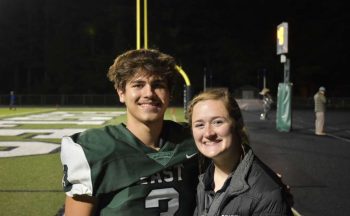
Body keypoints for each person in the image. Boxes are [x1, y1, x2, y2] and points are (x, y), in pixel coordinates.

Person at [60, 49, 200, 215]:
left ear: (169, 94)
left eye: (158, 85)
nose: (149, 93)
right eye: (138, 85)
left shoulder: (193, 140)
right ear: (121, 92)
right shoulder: (96, 150)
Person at [187, 88, 293, 216]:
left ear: (238, 124)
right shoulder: (205, 178)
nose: (208, 133)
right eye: (199, 125)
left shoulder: (266, 192)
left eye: (218, 122)